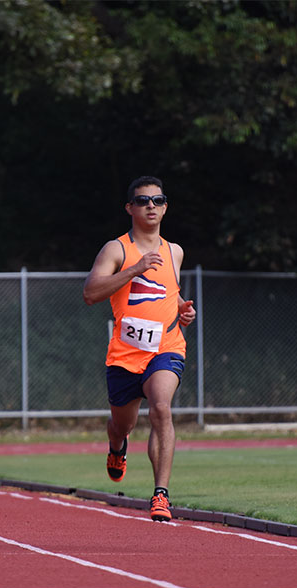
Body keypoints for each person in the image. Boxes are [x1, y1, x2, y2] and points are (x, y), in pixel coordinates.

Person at [82, 176, 196, 522]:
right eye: (144, 201)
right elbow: (91, 293)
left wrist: (182, 309)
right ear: (130, 207)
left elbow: (167, 291)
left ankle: (161, 495)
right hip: (126, 354)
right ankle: (117, 446)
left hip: (166, 346)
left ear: (165, 207)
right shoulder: (116, 249)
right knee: (123, 424)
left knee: (161, 408)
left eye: (158, 200)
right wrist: (135, 269)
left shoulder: (174, 250)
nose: (151, 206)